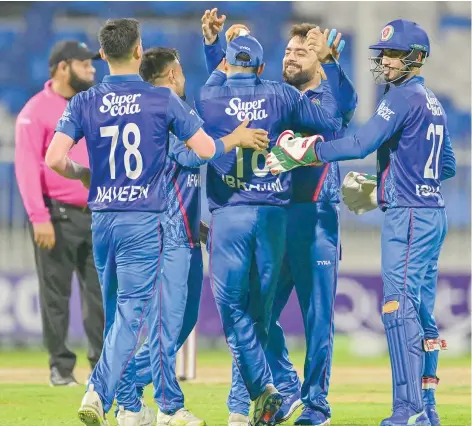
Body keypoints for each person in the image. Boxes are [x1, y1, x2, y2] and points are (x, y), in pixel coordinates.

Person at [46, 18, 269, 426]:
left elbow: (54, 160)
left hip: (102, 219)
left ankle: (130, 406)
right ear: (137, 51)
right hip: (145, 221)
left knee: (119, 317)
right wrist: (235, 139)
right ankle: (108, 392)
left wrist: (85, 175)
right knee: (137, 314)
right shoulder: (162, 101)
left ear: (103, 54)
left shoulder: (83, 101)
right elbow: (201, 150)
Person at [267, 19, 456, 426]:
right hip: (430, 212)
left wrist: (308, 151)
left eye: (392, 54)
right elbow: (447, 165)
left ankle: (409, 410)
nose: (384, 61)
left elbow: (359, 143)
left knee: (396, 308)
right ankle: (429, 409)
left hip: (407, 217)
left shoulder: (401, 97)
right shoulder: (431, 101)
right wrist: (383, 182)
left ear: (415, 57)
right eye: (382, 54)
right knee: (421, 313)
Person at [201, 12, 358, 425]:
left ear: (319, 58)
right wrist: (220, 52)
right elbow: (221, 103)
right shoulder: (273, 96)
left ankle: (317, 407)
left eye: (303, 51)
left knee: (317, 320)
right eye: (288, 50)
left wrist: (332, 64)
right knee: (257, 318)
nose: (292, 56)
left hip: (317, 218)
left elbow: (342, 111)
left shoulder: (327, 96)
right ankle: (282, 388)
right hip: (273, 218)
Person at [133, 46, 268, 426]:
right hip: (168, 235)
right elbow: (192, 157)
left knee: (183, 322)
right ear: (174, 72)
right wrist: (234, 139)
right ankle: (141, 395)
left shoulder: (179, 109)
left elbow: (183, 176)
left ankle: (125, 386)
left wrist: (201, 225)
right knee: (168, 326)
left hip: (187, 232)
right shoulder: (162, 113)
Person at [15, 40, 104, 386]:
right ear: (62, 67)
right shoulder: (35, 110)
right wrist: (39, 216)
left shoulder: (93, 105)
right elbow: (25, 167)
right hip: (57, 214)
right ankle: (61, 368)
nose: (92, 69)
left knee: (100, 294)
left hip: (97, 211)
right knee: (56, 295)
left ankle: (102, 367)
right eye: (84, 64)